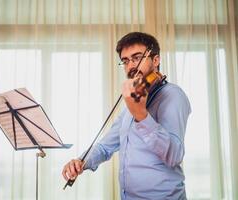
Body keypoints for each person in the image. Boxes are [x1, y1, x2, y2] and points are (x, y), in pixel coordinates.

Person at [62, 32, 191, 200]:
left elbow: (174, 155)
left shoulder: (172, 95)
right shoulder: (133, 102)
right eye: (125, 61)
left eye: (137, 58)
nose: (130, 66)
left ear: (156, 60)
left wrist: (141, 116)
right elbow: (105, 147)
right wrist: (81, 161)